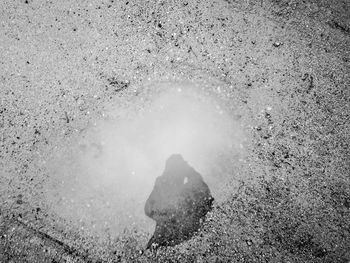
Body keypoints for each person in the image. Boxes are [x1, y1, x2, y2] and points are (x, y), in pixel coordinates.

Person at [144, 154, 214, 249]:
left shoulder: (185, 192)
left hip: (169, 244)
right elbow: (149, 209)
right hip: (175, 244)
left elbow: (148, 209)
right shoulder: (171, 188)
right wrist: (189, 170)